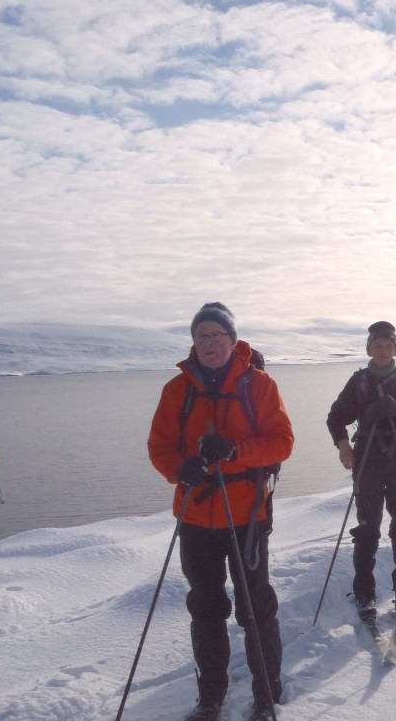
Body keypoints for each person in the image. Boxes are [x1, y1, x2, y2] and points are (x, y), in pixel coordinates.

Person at [148, 303, 294, 721]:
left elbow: (282, 442)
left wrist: (235, 450)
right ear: (194, 343)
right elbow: (159, 447)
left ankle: (267, 695)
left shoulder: (260, 385)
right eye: (201, 337)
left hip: (247, 514)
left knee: (255, 606)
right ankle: (211, 696)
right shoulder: (177, 390)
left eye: (216, 336)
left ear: (233, 340)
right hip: (195, 515)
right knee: (206, 606)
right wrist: (180, 468)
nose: (209, 343)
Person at [326, 321, 396, 620]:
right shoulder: (358, 382)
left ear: (395, 349)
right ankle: (364, 591)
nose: (383, 350)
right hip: (368, 459)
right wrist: (344, 446)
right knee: (368, 527)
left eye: (388, 345)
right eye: (377, 345)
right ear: (369, 348)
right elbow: (335, 418)